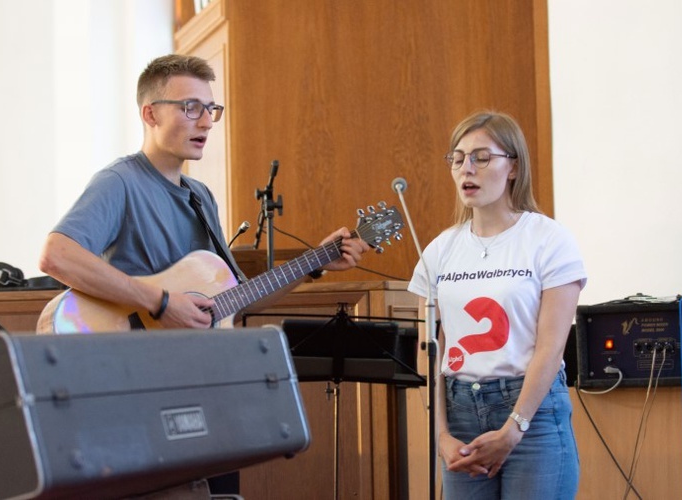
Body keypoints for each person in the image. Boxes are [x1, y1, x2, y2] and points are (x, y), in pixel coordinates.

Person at [38, 54, 369, 498]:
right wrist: (159, 303)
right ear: (150, 113)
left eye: (211, 109)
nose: (207, 122)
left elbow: (233, 300)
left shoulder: (200, 197)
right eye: (190, 107)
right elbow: (56, 255)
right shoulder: (119, 181)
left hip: (198, 391)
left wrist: (315, 262)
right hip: (141, 391)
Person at [408, 110, 586, 499]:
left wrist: (514, 427)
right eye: (457, 158)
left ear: (513, 168)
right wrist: (441, 436)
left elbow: (550, 348)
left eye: (481, 157)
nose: (466, 168)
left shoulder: (548, 239)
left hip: (531, 414)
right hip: (460, 413)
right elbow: (430, 351)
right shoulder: (440, 249)